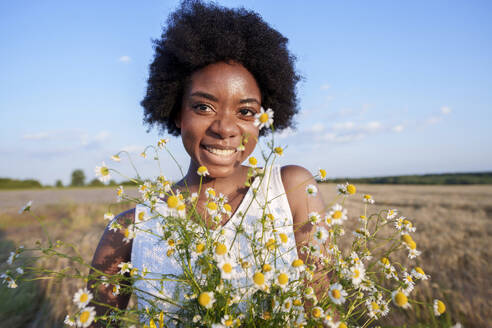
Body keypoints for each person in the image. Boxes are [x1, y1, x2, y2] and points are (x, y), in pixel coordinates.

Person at [89, 1, 326, 326]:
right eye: (203, 107)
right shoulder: (130, 230)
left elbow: (323, 313)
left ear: (263, 120)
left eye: (245, 112)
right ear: (176, 112)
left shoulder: (293, 190)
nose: (225, 128)